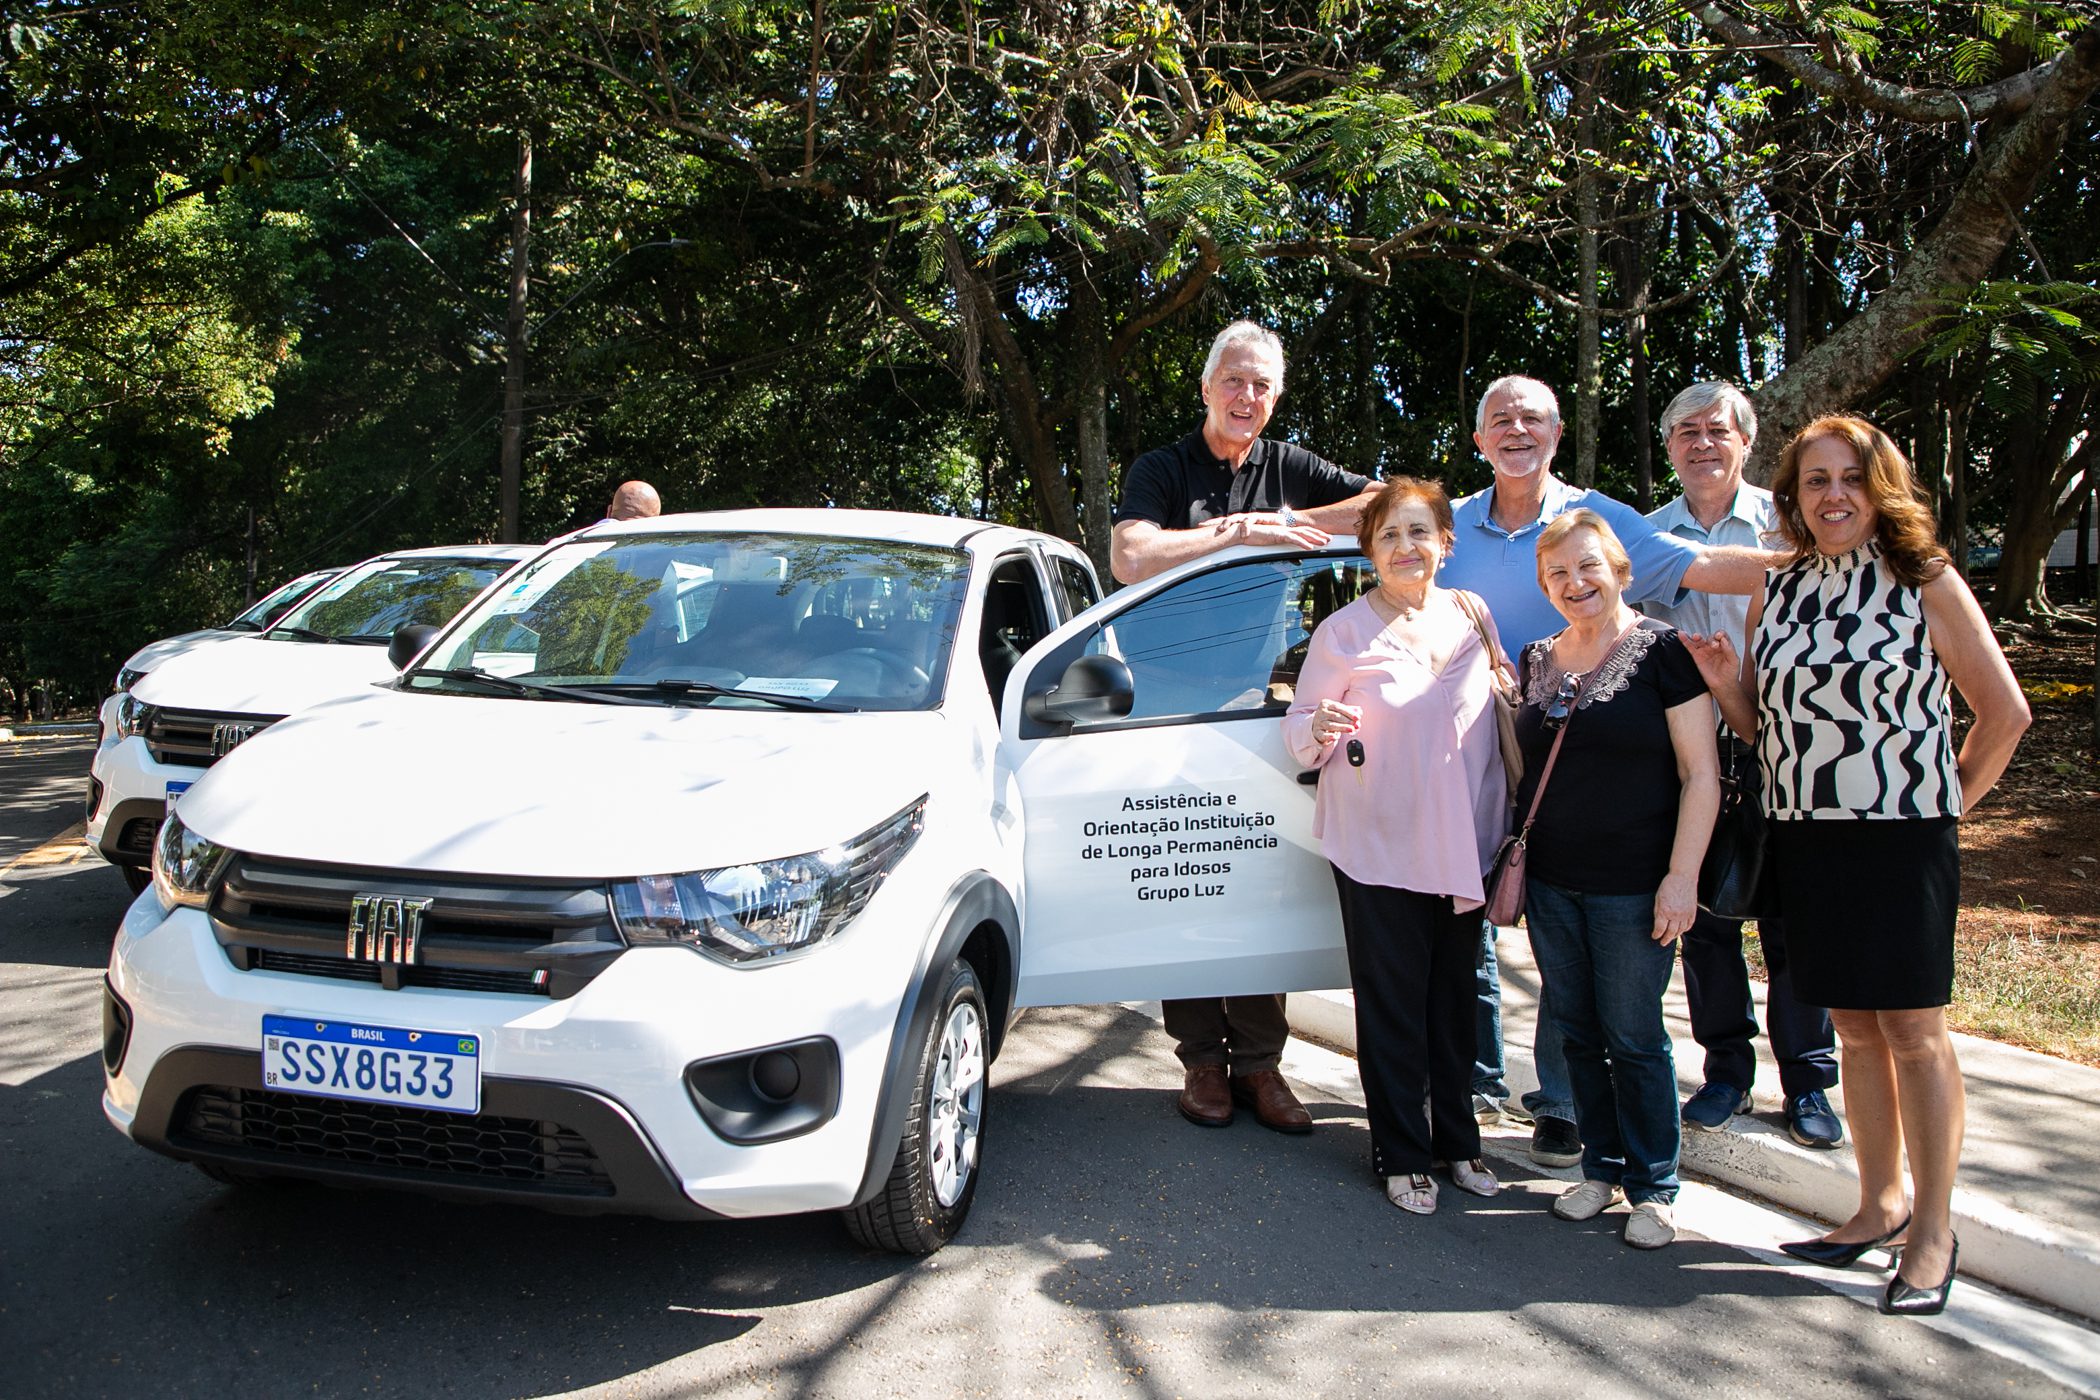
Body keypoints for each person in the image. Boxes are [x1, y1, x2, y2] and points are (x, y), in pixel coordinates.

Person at [1686, 417, 2029, 1315]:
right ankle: (1877, 1204)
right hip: (1807, 836)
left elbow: (2005, 713)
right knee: (1853, 1027)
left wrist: (1944, 806)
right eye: (1814, 481)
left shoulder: (1926, 580)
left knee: (1915, 1033)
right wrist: (1728, 686)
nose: (1832, 494)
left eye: (1850, 478)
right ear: (1792, 498)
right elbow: (1771, 728)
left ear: (1882, 486)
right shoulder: (1781, 587)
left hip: (1903, 837)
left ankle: (1932, 1231)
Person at [1438, 374, 1773, 1172]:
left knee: (1581, 951)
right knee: (1478, 909)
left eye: (1532, 419)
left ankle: (1560, 1105)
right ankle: (1478, 1076)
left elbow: (1697, 567)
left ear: (1556, 435)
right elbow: (1381, 548)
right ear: (1478, 440)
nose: (1515, 430)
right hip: (1465, 746)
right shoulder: (1448, 526)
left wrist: (1840, 554)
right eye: (1498, 420)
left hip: (1580, 757)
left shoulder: (1598, 521)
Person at [1111, 319, 1381, 1133]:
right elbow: (1130, 554)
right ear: (1205, 388)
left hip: (1262, 703)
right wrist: (1238, 532)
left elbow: (1383, 505)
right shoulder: (1162, 468)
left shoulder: (1285, 464)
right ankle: (1200, 1060)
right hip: (1165, 705)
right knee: (1187, 874)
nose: (1247, 396)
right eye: (1233, 380)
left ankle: (1261, 1067)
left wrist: (1295, 517)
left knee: (1255, 881)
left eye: (1262, 385)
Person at [1282, 477, 1511, 1213]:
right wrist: (1314, 728)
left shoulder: (1472, 614)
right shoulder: (1343, 632)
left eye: (1420, 532)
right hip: (1379, 842)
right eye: (1389, 535)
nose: (1406, 547)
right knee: (1393, 1004)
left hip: (1465, 843)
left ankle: (1460, 1143)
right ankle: (1402, 1152)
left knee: (1455, 1004)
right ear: (1369, 551)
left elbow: (1500, 693)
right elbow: (1303, 724)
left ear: (1445, 542)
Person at [1640, 383, 1842, 1149]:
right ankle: (1726, 1071)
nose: (1700, 443)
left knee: (1795, 918)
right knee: (1707, 920)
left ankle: (1809, 1081)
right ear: (1668, 448)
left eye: (1715, 430)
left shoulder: (1790, 527)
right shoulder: (1647, 538)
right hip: (1691, 751)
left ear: (1745, 441)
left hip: (1783, 741)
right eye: (1684, 431)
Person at [1513, 510, 1720, 1249]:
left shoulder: (1663, 652)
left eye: (1588, 567)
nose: (1576, 584)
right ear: (1544, 584)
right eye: (1558, 573)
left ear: (1620, 570)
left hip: (1636, 887)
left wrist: (1681, 877)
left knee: (1634, 1036)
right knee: (1576, 1030)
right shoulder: (1537, 658)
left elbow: (1702, 775)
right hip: (1552, 884)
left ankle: (1655, 1186)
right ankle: (1598, 1170)